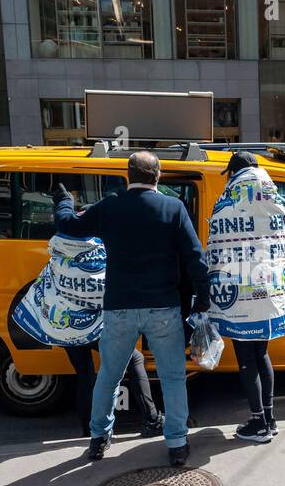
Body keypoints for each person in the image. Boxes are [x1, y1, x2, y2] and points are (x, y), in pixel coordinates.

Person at [54, 152, 209, 466]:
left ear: (128, 175)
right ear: (158, 175)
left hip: (119, 308)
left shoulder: (111, 206)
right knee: (172, 378)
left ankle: (98, 439)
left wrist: (65, 200)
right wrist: (202, 299)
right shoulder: (173, 208)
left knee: (109, 376)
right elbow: (195, 258)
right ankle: (177, 444)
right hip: (163, 308)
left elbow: (68, 225)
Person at [19, 228, 161, 439]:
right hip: (94, 328)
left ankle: (89, 431)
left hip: (65, 329)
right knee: (134, 359)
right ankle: (151, 419)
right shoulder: (100, 255)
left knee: (84, 376)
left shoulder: (57, 258)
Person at [205, 152, 285, 443]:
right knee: (261, 354)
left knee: (246, 359)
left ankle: (258, 423)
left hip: (242, 296)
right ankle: (270, 418)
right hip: (269, 290)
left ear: (234, 171)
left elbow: (217, 244)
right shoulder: (274, 197)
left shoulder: (230, 199)